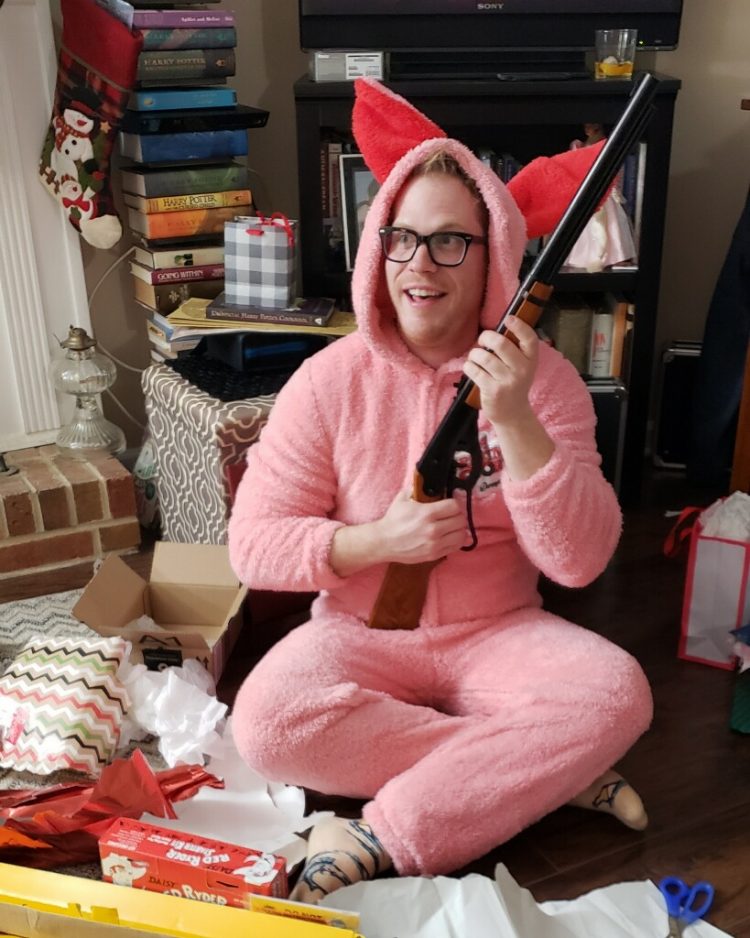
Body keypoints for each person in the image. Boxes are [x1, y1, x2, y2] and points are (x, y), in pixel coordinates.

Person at [228, 78, 652, 904]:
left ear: (494, 256)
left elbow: (580, 561)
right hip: (357, 633)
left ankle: (383, 834)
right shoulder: (325, 382)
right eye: (403, 238)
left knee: (617, 695)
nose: (421, 264)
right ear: (377, 247)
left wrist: (515, 420)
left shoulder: (547, 381)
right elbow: (252, 546)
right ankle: (540, 774)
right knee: (267, 725)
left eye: (452, 241)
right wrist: (374, 542)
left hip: (500, 631)